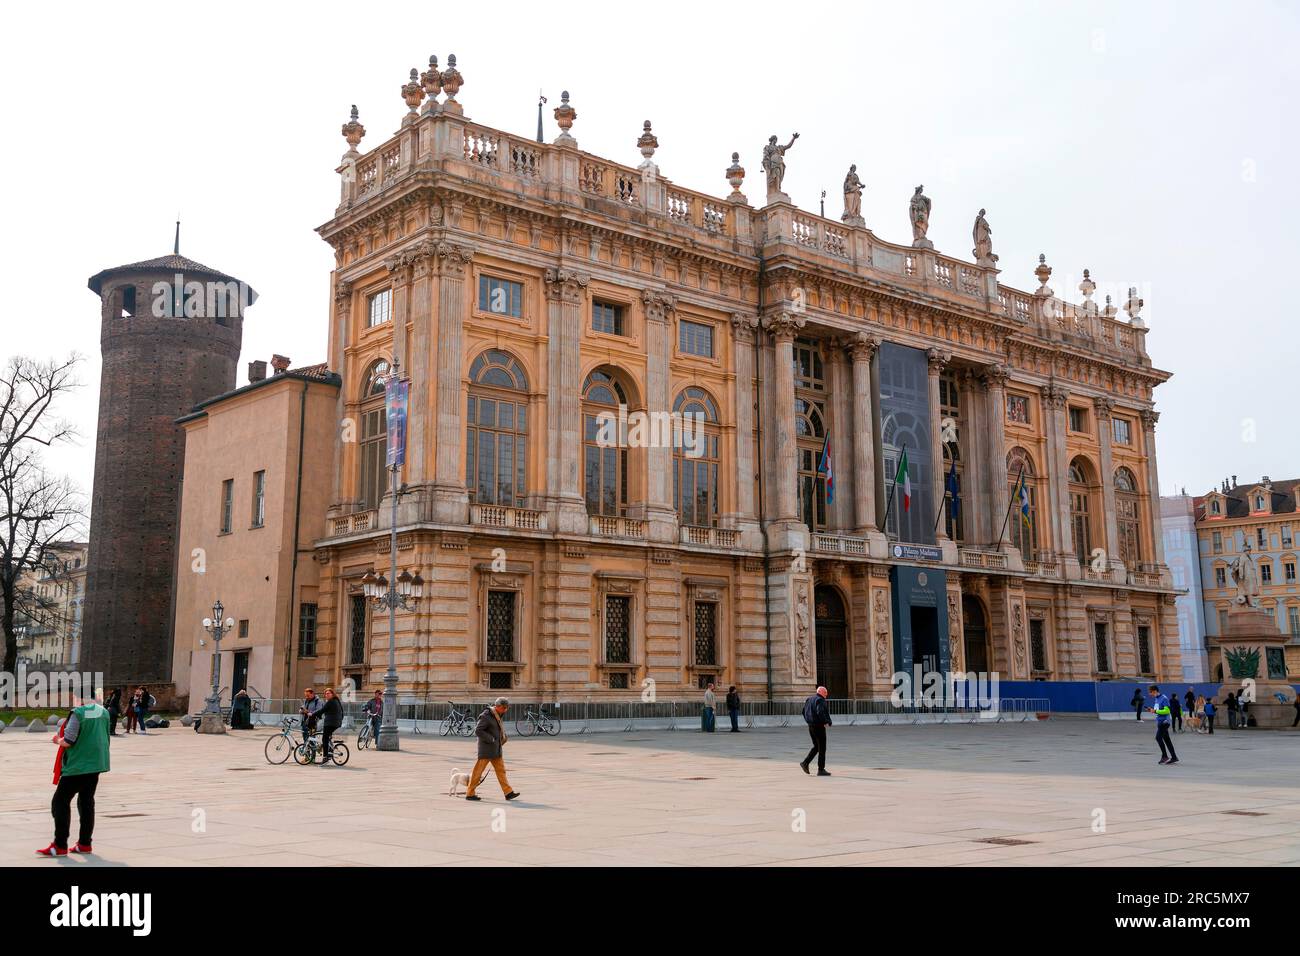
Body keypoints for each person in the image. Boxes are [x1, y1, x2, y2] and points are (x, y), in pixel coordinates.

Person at [37, 693, 111, 856]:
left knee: (60, 802)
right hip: (96, 763)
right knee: (86, 802)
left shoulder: (78, 713)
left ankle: (60, 845)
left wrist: (57, 739)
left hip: (78, 765)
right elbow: (106, 735)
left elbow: (68, 741)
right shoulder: (103, 712)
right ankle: (85, 844)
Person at [465, 697, 520, 802]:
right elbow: (478, 731)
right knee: (478, 772)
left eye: (507, 708)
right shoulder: (486, 716)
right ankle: (470, 793)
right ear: (498, 706)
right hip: (486, 749)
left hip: (496, 749)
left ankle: (508, 792)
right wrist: (491, 739)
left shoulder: (497, 715)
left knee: (501, 771)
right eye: (504, 708)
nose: (506, 710)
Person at [799, 686, 833, 777]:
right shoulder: (820, 700)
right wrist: (826, 721)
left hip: (811, 726)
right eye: (825, 693)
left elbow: (803, 711)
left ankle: (805, 763)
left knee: (816, 746)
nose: (826, 694)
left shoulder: (809, 699)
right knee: (822, 748)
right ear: (821, 692)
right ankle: (821, 770)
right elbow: (820, 712)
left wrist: (808, 721)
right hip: (818, 727)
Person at [1145, 685, 1178, 766]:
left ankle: (1165, 756)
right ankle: (1174, 757)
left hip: (1164, 722)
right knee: (1167, 740)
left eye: (1151, 692)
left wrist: (1155, 711)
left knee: (1158, 738)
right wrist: (1152, 710)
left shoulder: (1164, 698)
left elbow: (1167, 711)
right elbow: (1158, 710)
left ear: (1155, 691)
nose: (1150, 694)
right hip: (1160, 722)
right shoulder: (1157, 699)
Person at [316, 687, 343, 764]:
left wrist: (312, 714)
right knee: (328, 737)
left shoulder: (331, 701)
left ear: (332, 694)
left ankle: (325, 757)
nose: (326, 695)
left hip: (330, 723)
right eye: (325, 694)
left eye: (328, 693)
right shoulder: (336, 701)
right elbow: (341, 711)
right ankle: (330, 752)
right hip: (336, 723)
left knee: (324, 738)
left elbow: (322, 710)